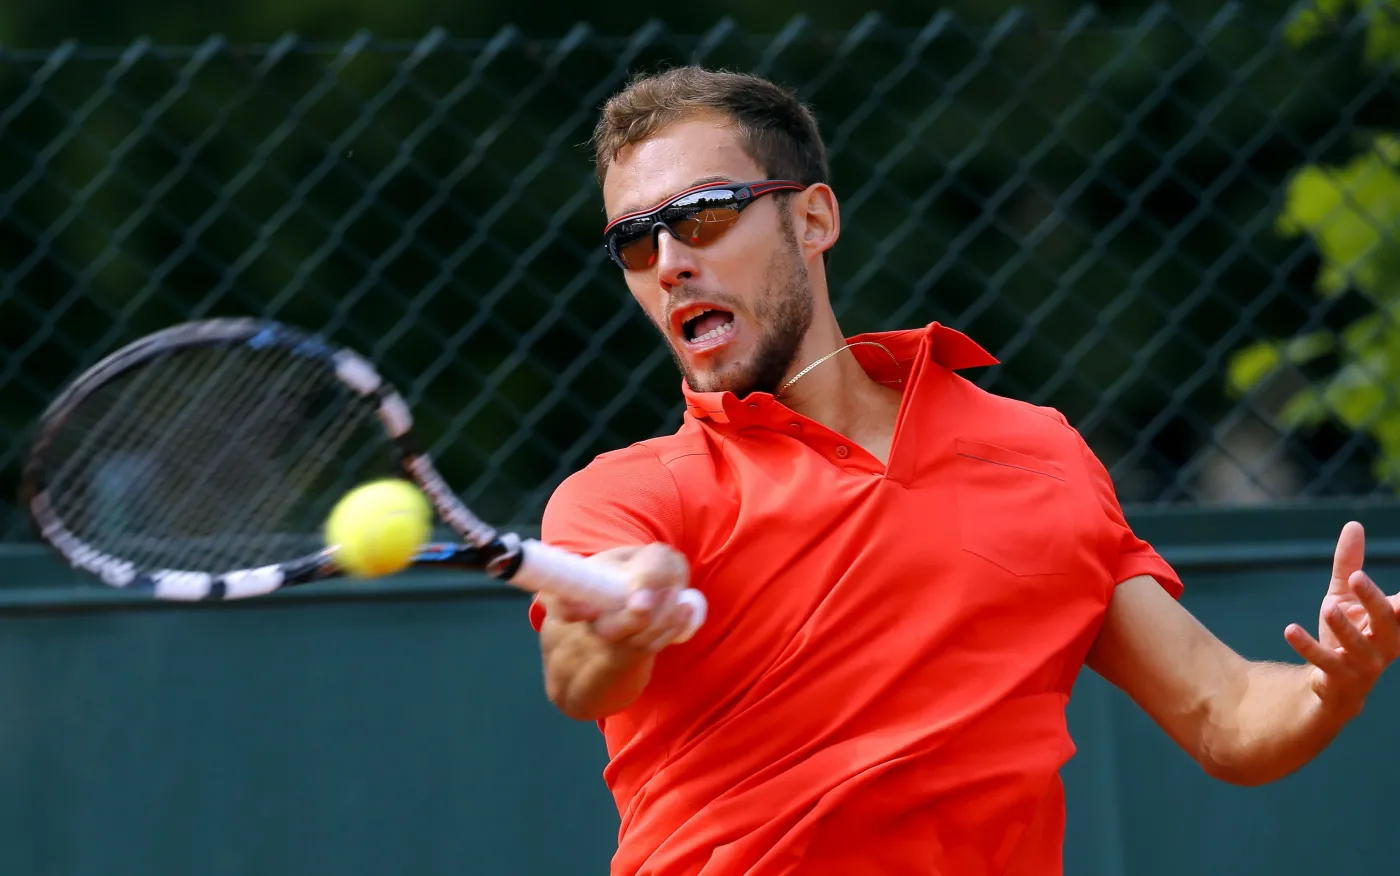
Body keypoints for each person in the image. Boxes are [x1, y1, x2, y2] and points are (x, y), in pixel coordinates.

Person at [528, 66, 1400, 876]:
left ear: (813, 219)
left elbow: (1226, 713)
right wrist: (609, 622)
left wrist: (1333, 686)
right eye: (635, 243)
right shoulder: (626, 498)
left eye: (705, 214)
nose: (671, 262)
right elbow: (578, 670)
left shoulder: (1038, 452)